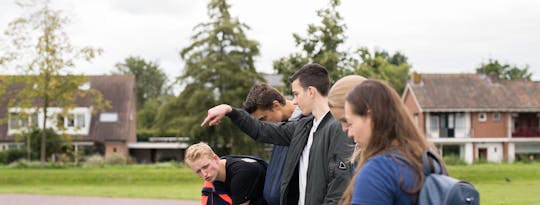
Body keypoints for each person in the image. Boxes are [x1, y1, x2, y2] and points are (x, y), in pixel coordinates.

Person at [202, 64, 354, 205]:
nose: (294, 102)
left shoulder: (337, 127)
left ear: (311, 91)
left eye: (296, 94)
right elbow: (262, 131)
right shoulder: (304, 126)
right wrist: (231, 111)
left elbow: (340, 183)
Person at [339, 80, 440, 205]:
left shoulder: (376, 171)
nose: (349, 133)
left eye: (350, 123)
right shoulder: (429, 160)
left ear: (370, 116)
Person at [242, 83, 302, 205]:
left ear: (276, 105)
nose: (263, 125)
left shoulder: (304, 125)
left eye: (263, 119)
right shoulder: (281, 125)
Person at [185, 142, 268, 205]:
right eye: (198, 171)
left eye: (205, 166)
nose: (204, 174)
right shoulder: (216, 173)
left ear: (215, 158)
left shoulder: (241, 173)